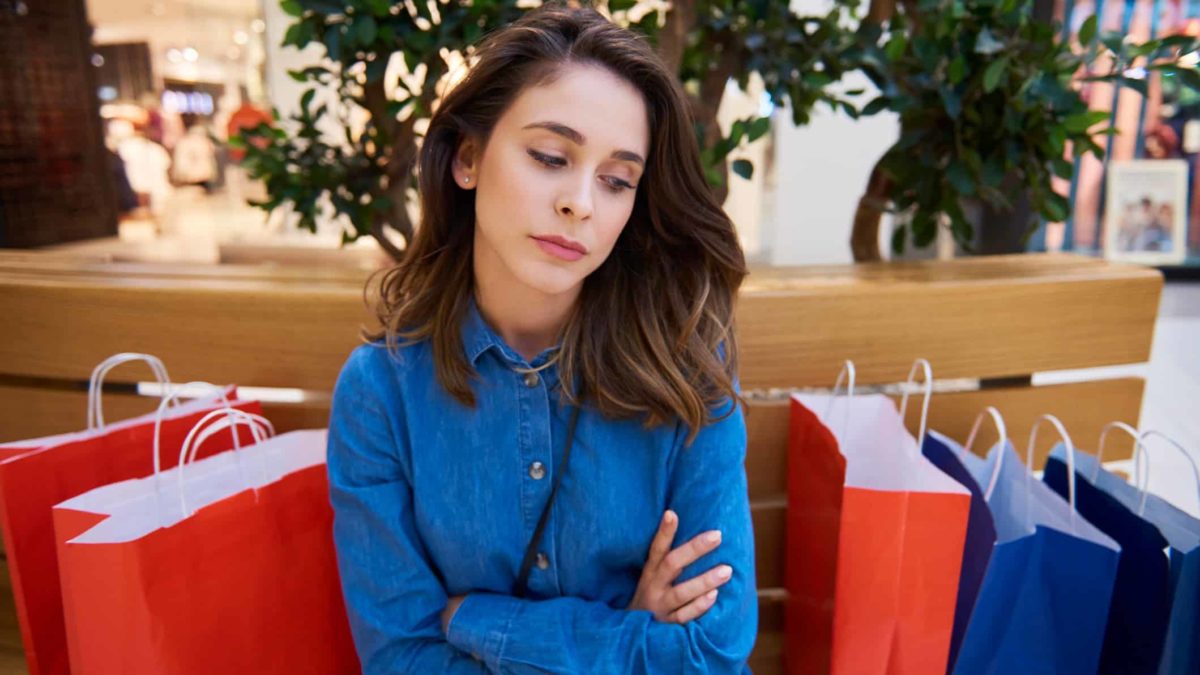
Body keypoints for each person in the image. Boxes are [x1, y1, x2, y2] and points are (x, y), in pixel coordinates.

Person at [325, 5, 757, 673]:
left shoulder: (687, 365)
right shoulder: (380, 392)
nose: (580, 202)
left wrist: (471, 619)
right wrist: (629, 631)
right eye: (551, 156)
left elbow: (712, 650)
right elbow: (402, 659)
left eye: (617, 181)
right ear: (467, 158)